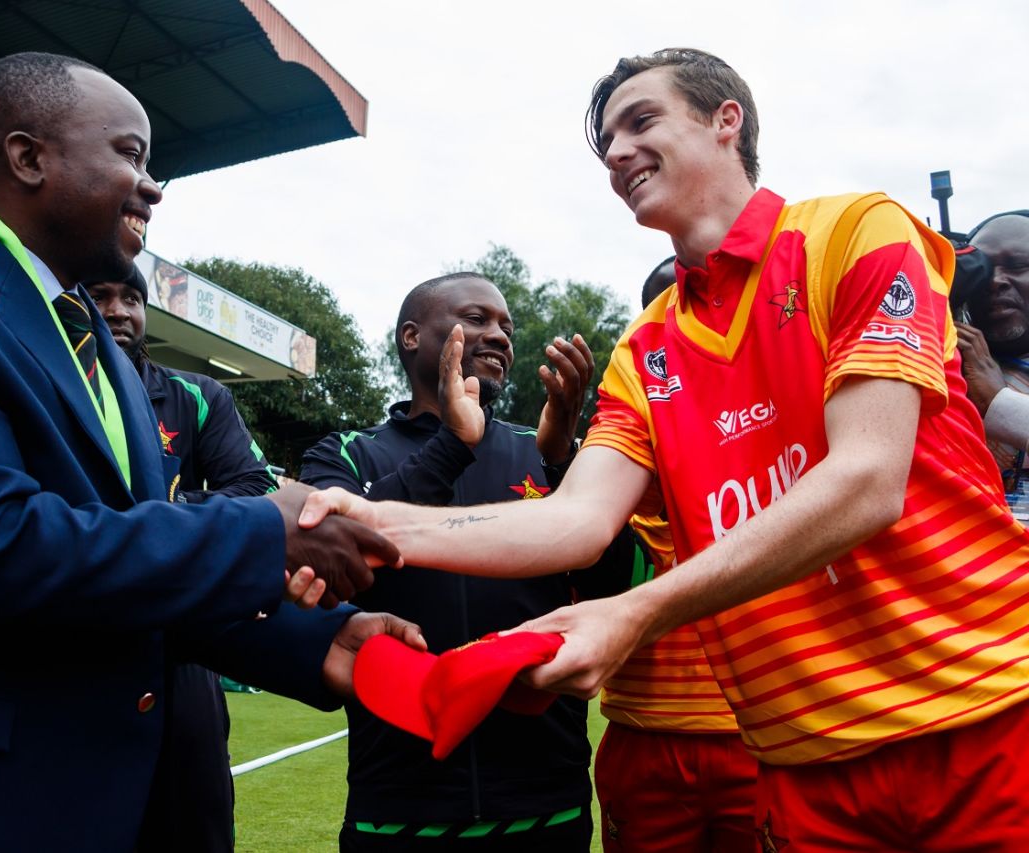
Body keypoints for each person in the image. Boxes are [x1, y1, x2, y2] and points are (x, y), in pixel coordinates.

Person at [301, 48, 1029, 850]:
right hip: (801, 760)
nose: (615, 152)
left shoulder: (855, 232)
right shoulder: (643, 349)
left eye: (640, 121)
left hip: (988, 714)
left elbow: (866, 480)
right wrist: (371, 520)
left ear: (727, 122)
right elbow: (575, 519)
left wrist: (634, 609)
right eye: (606, 139)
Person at [0, 51, 418, 853]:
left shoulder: (97, 347)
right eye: (130, 154)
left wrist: (317, 641)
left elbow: (129, 570)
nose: (153, 187)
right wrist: (262, 526)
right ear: (27, 156)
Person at [302, 272, 631, 852]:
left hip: (544, 807)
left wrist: (560, 464)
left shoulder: (543, 449)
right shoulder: (346, 453)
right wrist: (453, 445)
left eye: (506, 325)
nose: (499, 335)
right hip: (399, 809)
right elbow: (330, 557)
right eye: (476, 319)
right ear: (411, 336)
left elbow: (616, 582)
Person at [86, 264, 275, 853]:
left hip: (185, 648)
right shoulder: (47, 382)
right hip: (79, 647)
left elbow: (256, 487)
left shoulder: (198, 395)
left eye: (131, 298)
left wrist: (157, 510)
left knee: (196, 828)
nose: (119, 310)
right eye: (100, 296)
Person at [590, 256, 757, 853]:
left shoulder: (768, 425)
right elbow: (578, 533)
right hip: (644, 733)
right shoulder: (620, 440)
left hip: (761, 731)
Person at [955, 211, 1029, 517]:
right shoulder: (940, 362)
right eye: (982, 270)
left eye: (1018, 265)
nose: (995, 282)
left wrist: (996, 402)